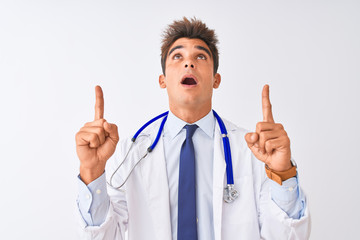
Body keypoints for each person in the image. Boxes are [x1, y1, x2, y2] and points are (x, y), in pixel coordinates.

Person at [75, 17, 310, 240]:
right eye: (177, 56)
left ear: (216, 79)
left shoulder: (253, 151)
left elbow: (287, 236)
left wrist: (283, 173)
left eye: (200, 57)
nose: (189, 62)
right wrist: (92, 172)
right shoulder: (130, 153)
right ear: (162, 79)